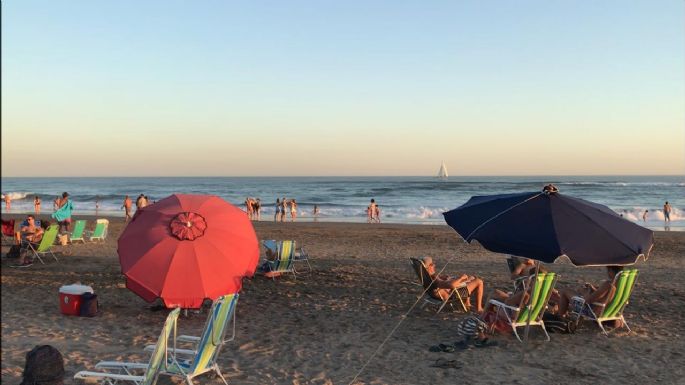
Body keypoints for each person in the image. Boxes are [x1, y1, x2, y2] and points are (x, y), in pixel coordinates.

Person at [556, 266, 623, 317]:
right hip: (607, 310)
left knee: (565, 291)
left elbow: (587, 301)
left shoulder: (608, 284)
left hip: (592, 311)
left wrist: (588, 291)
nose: (607, 272)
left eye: (608, 270)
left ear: (610, 270)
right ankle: (563, 310)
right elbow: (603, 296)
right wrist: (592, 288)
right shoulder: (620, 284)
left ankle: (560, 316)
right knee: (579, 290)